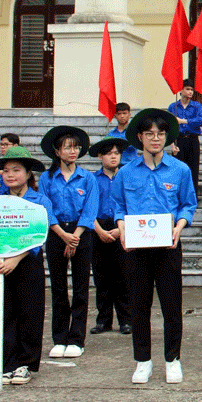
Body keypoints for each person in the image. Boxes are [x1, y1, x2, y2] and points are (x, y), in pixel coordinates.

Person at [113, 108, 198, 384]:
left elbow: (188, 204)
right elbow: (117, 205)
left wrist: (179, 227)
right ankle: (143, 360)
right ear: (139, 137)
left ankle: (172, 359)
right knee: (139, 305)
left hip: (168, 246)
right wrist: (122, 226)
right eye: (149, 134)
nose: (155, 139)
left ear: (167, 137)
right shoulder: (126, 173)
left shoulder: (180, 169)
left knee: (172, 306)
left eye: (160, 134)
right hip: (136, 249)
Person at [0, 146, 54, 385]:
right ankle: (8, 363)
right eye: (6, 171)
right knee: (4, 314)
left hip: (27, 264)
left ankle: (25, 364)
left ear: (28, 174)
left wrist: (16, 259)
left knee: (29, 313)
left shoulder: (39, 200)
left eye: (16, 170)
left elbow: (39, 234)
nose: (10, 175)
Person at [39, 125, 99, 360]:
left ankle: (76, 339)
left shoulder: (88, 177)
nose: (72, 152)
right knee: (58, 287)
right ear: (57, 151)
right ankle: (59, 338)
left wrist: (75, 235)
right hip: (55, 233)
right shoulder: (46, 178)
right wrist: (62, 235)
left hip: (81, 232)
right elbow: (45, 207)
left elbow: (90, 208)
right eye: (67, 147)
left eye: (75, 147)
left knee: (81, 288)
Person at [88, 137, 132, 336]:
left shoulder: (127, 176)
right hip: (98, 228)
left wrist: (120, 230)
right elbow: (88, 208)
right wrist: (99, 230)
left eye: (116, 153)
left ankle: (126, 320)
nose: (113, 157)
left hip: (121, 227)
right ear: (100, 156)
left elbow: (132, 204)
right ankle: (103, 320)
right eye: (109, 153)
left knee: (123, 276)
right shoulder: (92, 180)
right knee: (101, 277)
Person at [168, 79, 202, 195]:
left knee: (193, 169)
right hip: (178, 140)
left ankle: (192, 196)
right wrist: (172, 145)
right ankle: (178, 196)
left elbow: (200, 121)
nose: (190, 92)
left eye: (192, 90)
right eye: (187, 89)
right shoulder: (173, 107)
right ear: (181, 90)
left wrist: (182, 121)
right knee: (178, 170)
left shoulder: (196, 106)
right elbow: (168, 127)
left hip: (192, 140)